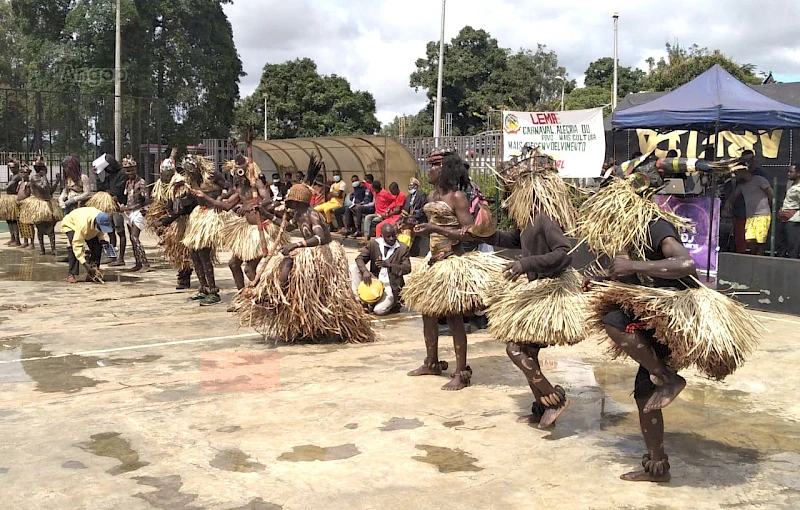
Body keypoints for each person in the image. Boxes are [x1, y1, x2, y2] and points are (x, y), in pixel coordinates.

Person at [579, 166, 762, 483]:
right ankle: (657, 463)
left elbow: (685, 263)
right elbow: (626, 273)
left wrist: (634, 264)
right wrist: (598, 279)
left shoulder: (655, 224)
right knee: (641, 391)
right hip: (653, 313)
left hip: (674, 315)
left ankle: (667, 381)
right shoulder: (629, 233)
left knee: (615, 324)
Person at [479, 149, 586, 428]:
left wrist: (526, 264)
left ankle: (553, 397)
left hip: (552, 291)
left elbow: (564, 253)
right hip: (537, 290)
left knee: (515, 350)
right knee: (527, 353)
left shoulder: (545, 218)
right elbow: (509, 239)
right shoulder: (527, 220)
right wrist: (484, 230)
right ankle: (542, 407)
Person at [232, 156, 375, 344]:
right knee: (281, 263)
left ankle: (276, 296)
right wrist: (266, 214)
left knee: (289, 261)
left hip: (323, 254)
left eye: (291, 202)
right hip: (308, 251)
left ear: (299, 202)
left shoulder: (312, 215)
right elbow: (287, 227)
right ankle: (275, 297)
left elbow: (321, 238)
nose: (289, 206)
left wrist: (297, 245)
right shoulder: (299, 214)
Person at [403, 150, 505, 391]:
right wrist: (415, 226)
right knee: (427, 312)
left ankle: (461, 372)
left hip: (452, 258)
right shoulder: (431, 195)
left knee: (453, 317)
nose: (430, 171)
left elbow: (468, 230)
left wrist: (435, 229)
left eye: (434, 167)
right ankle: (432, 362)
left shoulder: (457, 197)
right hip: (433, 260)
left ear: (445, 169)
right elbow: (431, 226)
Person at [194, 156, 288, 293]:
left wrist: (255, 206)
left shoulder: (257, 184)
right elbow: (226, 206)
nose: (237, 177)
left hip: (260, 230)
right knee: (233, 264)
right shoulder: (240, 190)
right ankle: (242, 296)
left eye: (239, 173)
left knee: (249, 270)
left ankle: (266, 295)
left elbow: (268, 199)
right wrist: (205, 197)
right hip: (247, 231)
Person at [180, 155, 230, 305]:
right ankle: (203, 288)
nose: (191, 174)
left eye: (193, 171)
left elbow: (230, 189)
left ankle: (213, 292)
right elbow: (191, 199)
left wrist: (219, 201)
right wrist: (183, 198)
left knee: (203, 253)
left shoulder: (212, 175)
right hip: (198, 214)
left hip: (211, 214)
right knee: (194, 253)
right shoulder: (190, 179)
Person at [349, 223, 411, 315]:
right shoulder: (374, 244)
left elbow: (407, 268)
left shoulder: (402, 248)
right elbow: (359, 258)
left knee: (378, 311)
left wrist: (389, 265)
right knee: (353, 268)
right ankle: (360, 301)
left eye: (393, 236)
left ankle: (393, 304)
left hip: (390, 286)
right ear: (382, 236)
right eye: (388, 236)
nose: (391, 239)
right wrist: (365, 271)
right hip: (375, 280)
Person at [724, 166, 773, 256]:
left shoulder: (759, 180)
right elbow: (734, 195)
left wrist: (770, 205)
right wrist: (728, 202)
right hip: (750, 216)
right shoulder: (742, 185)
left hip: (762, 214)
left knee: (760, 241)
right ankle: (753, 258)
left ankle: (759, 260)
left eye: (737, 173)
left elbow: (770, 193)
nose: (735, 176)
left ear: (744, 171)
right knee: (749, 240)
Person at [90, 154, 128, 265]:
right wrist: (97, 176)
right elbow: (101, 187)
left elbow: (118, 190)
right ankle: (112, 255)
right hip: (109, 206)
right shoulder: (110, 175)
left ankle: (121, 258)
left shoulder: (122, 174)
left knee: (120, 231)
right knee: (109, 231)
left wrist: (111, 194)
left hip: (118, 206)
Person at [61, 206, 114, 283]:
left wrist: (102, 240)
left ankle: (93, 272)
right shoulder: (83, 225)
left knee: (97, 246)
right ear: (96, 223)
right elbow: (77, 246)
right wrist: (85, 264)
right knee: (73, 248)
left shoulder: (101, 218)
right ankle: (71, 274)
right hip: (71, 225)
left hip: (88, 228)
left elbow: (100, 231)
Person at [121, 156, 150, 272]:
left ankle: (145, 263)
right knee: (131, 239)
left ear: (136, 169)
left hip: (139, 212)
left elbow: (146, 199)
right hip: (129, 213)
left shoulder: (141, 182)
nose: (130, 172)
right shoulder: (128, 183)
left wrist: (145, 211)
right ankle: (138, 263)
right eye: (127, 170)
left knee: (134, 237)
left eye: (132, 169)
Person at [780, 163, 800, 258]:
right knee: (781, 247)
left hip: (794, 221)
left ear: (798, 173)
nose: (788, 174)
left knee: (793, 248)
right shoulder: (790, 184)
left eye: (791, 172)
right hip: (784, 220)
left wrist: (794, 213)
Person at [1, 159, 22, 246]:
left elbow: (9, 185)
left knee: (14, 220)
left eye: (13, 167)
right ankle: (12, 238)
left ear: (17, 167)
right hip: (9, 199)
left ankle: (17, 240)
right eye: (10, 168)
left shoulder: (18, 176)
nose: (11, 169)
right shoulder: (11, 176)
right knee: (9, 220)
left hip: (14, 198)